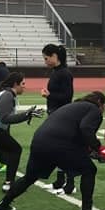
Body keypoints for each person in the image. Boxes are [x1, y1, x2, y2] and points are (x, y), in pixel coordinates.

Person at [0, 92, 105, 210]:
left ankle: (2, 205)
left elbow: (75, 135)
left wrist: (89, 151)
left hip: (40, 141)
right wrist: (98, 148)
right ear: (100, 102)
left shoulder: (73, 107)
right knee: (89, 170)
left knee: (29, 177)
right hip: (60, 144)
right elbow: (85, 129)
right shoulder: (93, 109)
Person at [41, 43, 76, 195]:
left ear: (55, 57)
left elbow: (67, 96)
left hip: (62, 116)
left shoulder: (64, 73)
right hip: (55, 114)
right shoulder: (56, 72)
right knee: (57, 149)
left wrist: (49, 95)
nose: (45, 61)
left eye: (46, 58)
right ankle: (59, 181)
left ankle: (70, 184)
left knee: (64, 150)